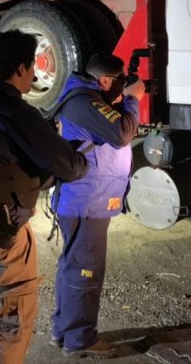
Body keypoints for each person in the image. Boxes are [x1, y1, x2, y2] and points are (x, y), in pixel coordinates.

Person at [0, 30, 89, 364]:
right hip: (3, 241)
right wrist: (78, 153)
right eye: (32, 70)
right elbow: (68, 166)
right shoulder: (11, 110)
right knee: (13, 320)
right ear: (22, 68)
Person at [49, 52, 145, 359]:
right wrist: (132, 100)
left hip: (87, 199)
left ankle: (65, 331)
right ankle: (79, 339)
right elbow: (121, 133)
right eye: (117, 83)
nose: (120, 88)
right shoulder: (83, 102)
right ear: (105, 80)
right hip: (86, 201)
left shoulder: (87, 100)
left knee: (74, 267)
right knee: (85, 270)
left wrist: (121, 101)